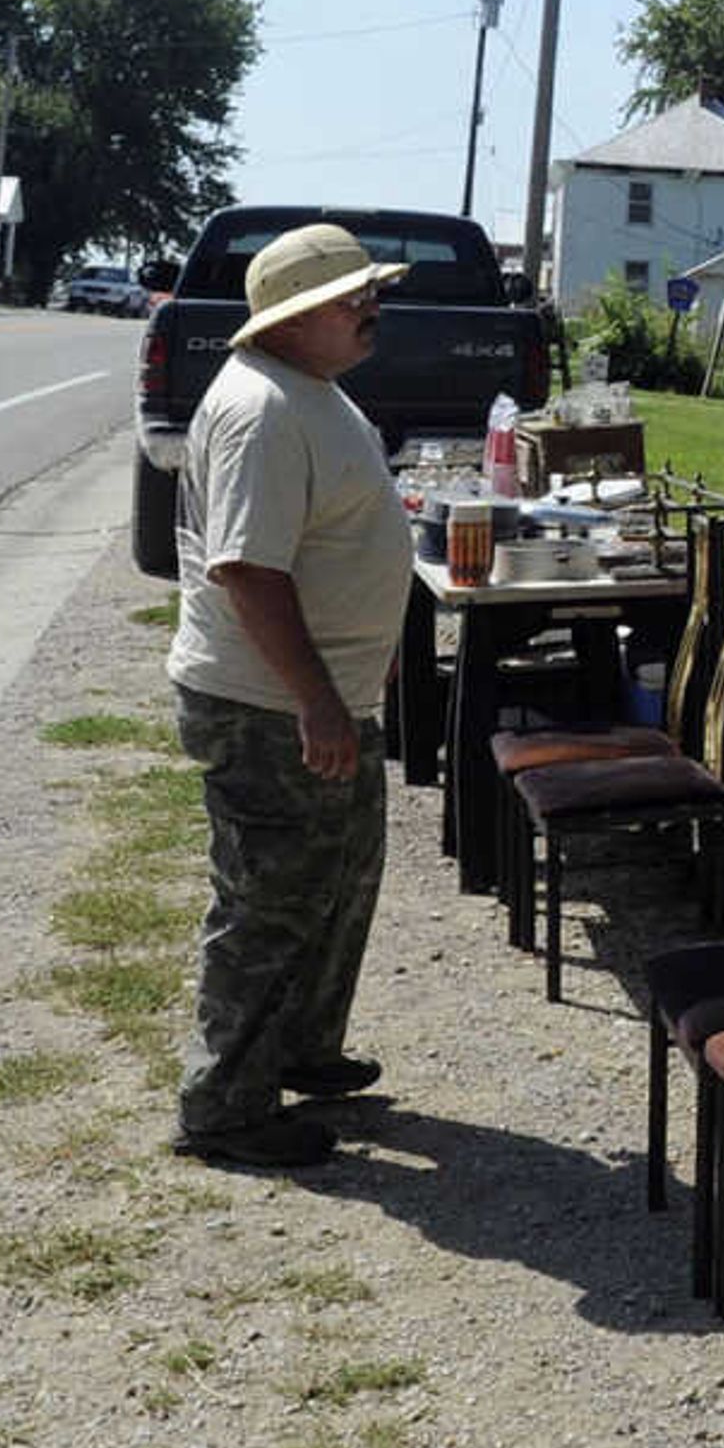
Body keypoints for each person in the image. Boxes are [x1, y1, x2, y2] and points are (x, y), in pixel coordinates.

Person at [164, 222, 419, 1169]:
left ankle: (303, 1048)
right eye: (354, 298)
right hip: (268, 705)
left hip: (322, 693)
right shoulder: (263, 410)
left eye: (369, 293)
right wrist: (314, 696)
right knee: (269, 900)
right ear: (294, 316)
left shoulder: (310, 392)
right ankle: (226, 1107)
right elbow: (250, 571)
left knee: (340, 876)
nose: (371, 311)